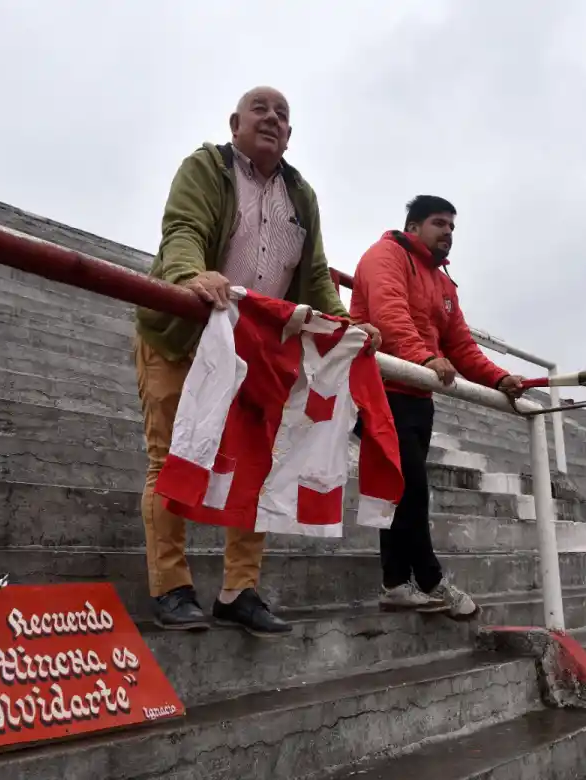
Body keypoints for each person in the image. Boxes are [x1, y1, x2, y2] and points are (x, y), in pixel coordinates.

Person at [133, 86, 381, 637]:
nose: (272, 119)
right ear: (235, 123)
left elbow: (314, 275)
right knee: (170, 458)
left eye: (282, 115)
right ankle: (171, 587)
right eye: (260, 110)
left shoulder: (301, 194)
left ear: (290, 135)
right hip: (181, 337)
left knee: (257, 467)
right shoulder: (207, 167)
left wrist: (345, 325)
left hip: (254, 350)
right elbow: (183, 230)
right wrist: (189, 275)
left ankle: (238, 591)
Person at [350, 195, 525, 619]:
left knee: (399, 491)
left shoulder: (444, 284)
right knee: (411, 490)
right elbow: (389, 316)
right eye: (439, 223)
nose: (448, 232)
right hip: (379, 389)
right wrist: (425, 358)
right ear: (413, 227)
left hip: (418, 397)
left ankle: (395, 583)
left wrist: (498, 378)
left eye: (451, 226)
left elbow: (461, 345)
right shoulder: (386, 255)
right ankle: (431, 580)